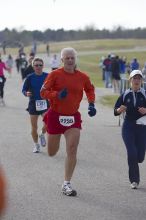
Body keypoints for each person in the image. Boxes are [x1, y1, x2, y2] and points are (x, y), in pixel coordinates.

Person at [40, 47, 96, 196]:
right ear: (62, 60)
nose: (70, 60)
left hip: (73, 117)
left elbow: (90, 89)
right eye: (67, 58)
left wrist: (91, 104)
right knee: (52, 152)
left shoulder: (82, 76)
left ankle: (66, 184)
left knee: (72, 149)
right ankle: (44, 130)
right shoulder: (54, 75)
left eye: (72, 58)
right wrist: (57, 94)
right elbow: (43, 92)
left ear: (75, 59)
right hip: (55, 116)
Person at [114, 70, 146, 189]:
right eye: (134, 78)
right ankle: (134, 180)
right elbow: (115, 111)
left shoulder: (145, 94)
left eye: (139, 78)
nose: (136, 80)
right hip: (128, 127)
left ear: (141, 81)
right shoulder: (125, 94)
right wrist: (119, 110)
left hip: (142, 128)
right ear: (130, 81)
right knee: (132, 153)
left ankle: (136, 161)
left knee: (140, 157)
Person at [22, 58, 49, 153]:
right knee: (34, 127)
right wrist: (26, 93)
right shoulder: (29, 77)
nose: (38, 67)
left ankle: (42, 134)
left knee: (48, 123)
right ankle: (36, 145)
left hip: (45, 103)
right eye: (36, 65)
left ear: (43, 66)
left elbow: (54, 87)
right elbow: (23, 89)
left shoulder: (48, 76)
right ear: (33, 66)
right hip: (33, 103)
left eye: (40, 65)